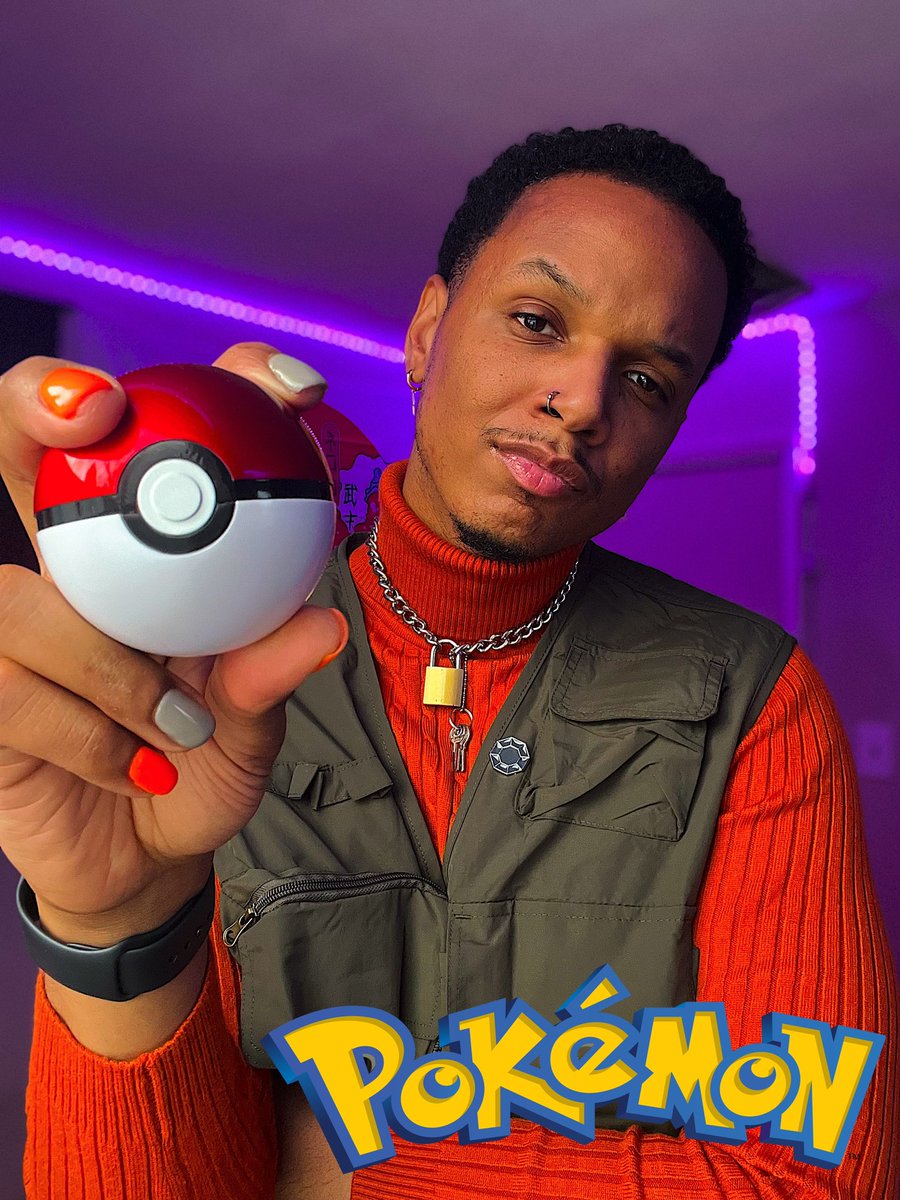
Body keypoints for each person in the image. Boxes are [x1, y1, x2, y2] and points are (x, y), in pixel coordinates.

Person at [1, 125, 895, 1199]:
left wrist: (341, 1171)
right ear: (428, 331)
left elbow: (820, 1180)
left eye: (648, 379)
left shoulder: (752, 696)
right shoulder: (200, 662)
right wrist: (118, 924)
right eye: (537, 321)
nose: (584, 401)